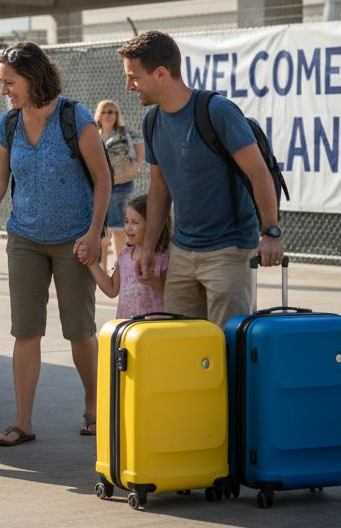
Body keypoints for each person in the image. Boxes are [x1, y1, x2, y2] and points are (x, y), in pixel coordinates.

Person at [0, 41, 110, 446]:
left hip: (75, 240)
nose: (5, 90)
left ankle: (94, 408)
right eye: (2, 83)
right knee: (26, 331)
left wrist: (94, 232)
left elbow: (103, 178)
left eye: (10, 82)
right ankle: (22, 422)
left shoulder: (73, 117)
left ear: (33, 76)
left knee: (79, 330)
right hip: (24, 238)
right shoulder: (7, 125)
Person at [120, 31, 283, 329]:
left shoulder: (216, 111)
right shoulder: (152, 121)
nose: (129, 86)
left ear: (160, 73)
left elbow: (258, 172)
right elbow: (159, 187)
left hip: (228, 251)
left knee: (228, 347)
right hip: (182, 251)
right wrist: (147, 247)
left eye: (134, 77)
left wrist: (271, 233)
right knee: (183, 346)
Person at [88, 195, 170, 317]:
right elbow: (112, 289)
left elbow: (174, 295)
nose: (128, 227)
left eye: (135, 222)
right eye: (126, 221)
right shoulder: (124, 256)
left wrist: (154, 281)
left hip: (154, 329)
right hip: (128, 327)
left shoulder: (163, 257)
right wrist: (91, 263)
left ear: (153, 226)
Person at [93, 100, 144, 267]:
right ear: (99, 115)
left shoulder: (124, 133)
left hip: (121, 186)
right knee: (102, 231)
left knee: (118, 229)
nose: (108, 115)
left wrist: (134, 167)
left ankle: (121, 270)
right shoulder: (93, 134)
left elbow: (140, 149)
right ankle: (102, 269)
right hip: (98, 188)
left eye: (112, 112)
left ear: (117, 115)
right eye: (105, 112)